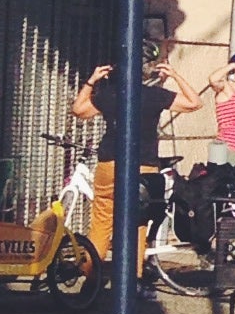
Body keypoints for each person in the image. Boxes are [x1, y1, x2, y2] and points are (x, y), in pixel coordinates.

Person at [72, 46, 197, 277]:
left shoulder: (109, 93)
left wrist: (91, 81)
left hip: (110, 161)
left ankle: (90, 276)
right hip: (144, 165)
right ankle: (132, 279)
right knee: (137, 224)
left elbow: (79, 110)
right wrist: (175, 76)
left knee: (101, 221)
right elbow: (193, 103)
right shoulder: (155, 95)